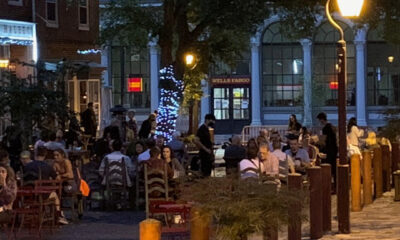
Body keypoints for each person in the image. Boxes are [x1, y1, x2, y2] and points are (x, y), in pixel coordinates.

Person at [317, 112, 338, 187]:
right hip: (334, 149)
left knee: (327, 167)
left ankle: (327, 185)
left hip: (329, 150)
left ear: (321, 120)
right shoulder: (333, 126)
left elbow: (323, 141)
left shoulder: (326, 128)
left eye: (319, 120)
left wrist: (317, 141)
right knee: (334, 168)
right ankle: (335, 185)